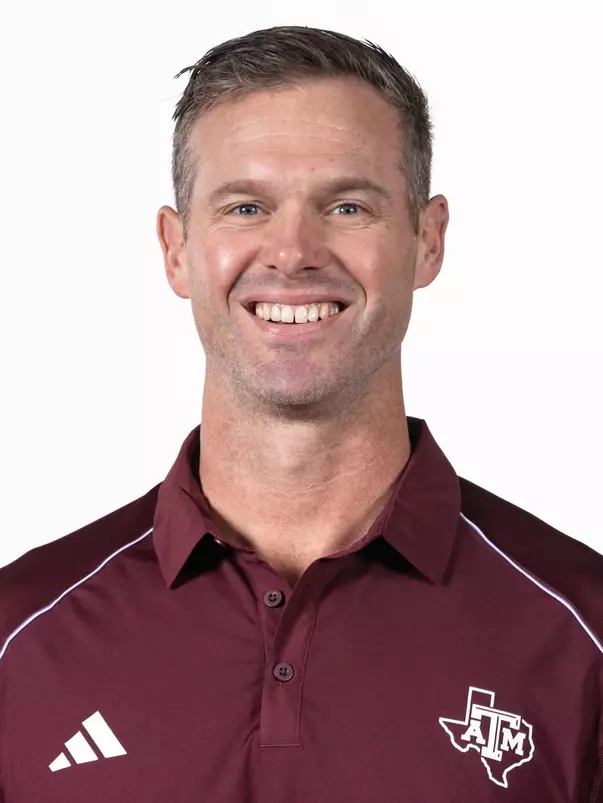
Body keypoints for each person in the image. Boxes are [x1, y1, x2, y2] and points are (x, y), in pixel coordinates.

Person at [1, 24, 601, 802]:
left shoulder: (579, 634)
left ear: (426, 239)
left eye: (347, 207)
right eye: (246, 206)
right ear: (176, 249)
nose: (291, 251)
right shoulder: (21, 640)